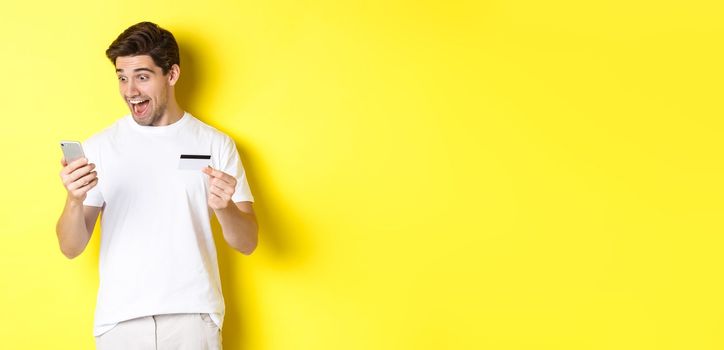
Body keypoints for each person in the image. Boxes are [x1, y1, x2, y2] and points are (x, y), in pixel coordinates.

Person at [55, 21, 258, 349]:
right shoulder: (100, 147)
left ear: (172, 75)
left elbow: (247, 242)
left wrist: (225, 208)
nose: (130, 90)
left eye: (142, 76)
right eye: (122, 77)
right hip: (121, 322)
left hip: (193, 319)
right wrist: (74, 200)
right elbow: (71, 247)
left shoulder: (216, 145)